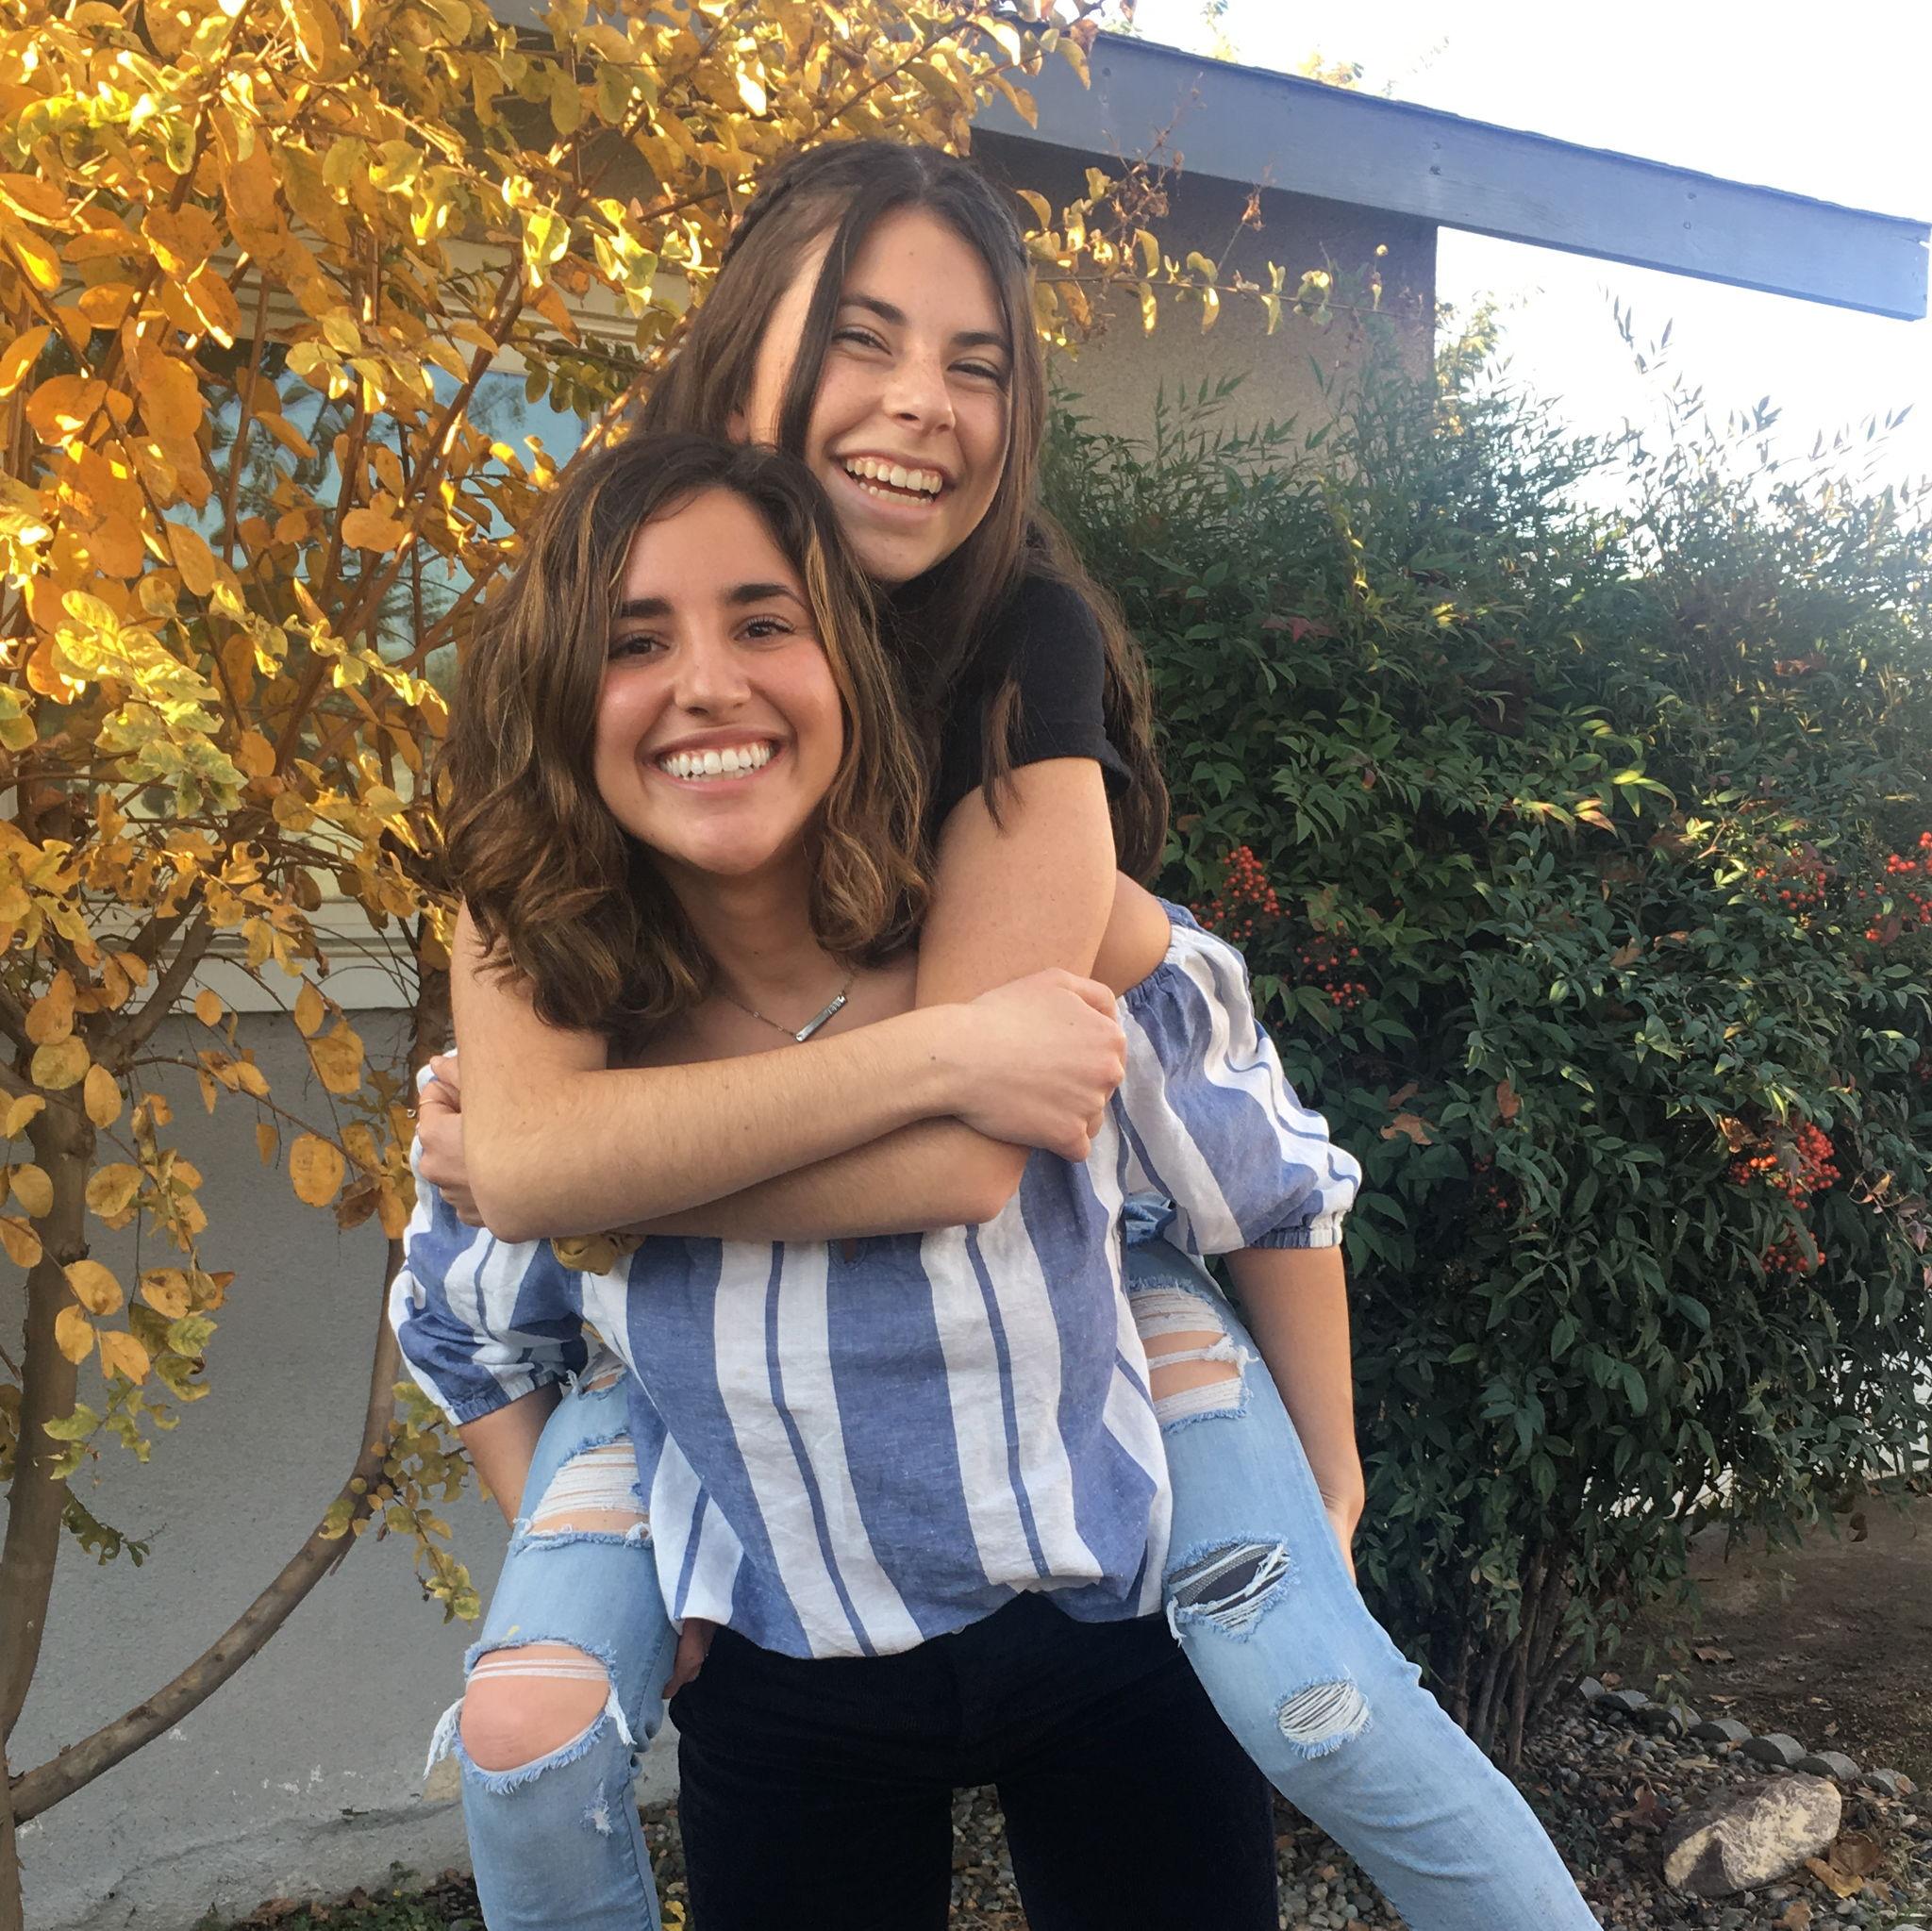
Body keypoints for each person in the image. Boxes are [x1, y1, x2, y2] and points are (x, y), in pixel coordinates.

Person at [404, 141, 1597, 1931]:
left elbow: (985, 1146)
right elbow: (503, 1227)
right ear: (739, 344)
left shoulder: (1016, 639)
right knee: (535, 1727)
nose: (923, 403)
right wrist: (556, 1172)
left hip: (1087, 1414)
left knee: (1321, 1702)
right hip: (786, 1559)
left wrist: (590, 1169)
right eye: (863, 337)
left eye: (977, 363)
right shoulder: (586, 666)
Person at [398, 432, 1283, 1929]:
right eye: (632, 641)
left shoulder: (1006, 947)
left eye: (764, 622)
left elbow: (1253, 1171)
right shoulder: (564, 1033)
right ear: (556, 700)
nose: (706, 683)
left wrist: (1330, 1477)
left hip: (1112, 1627)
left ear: (856, 674)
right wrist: (609, 1567)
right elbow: (468, 1326)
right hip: (783, 1657)